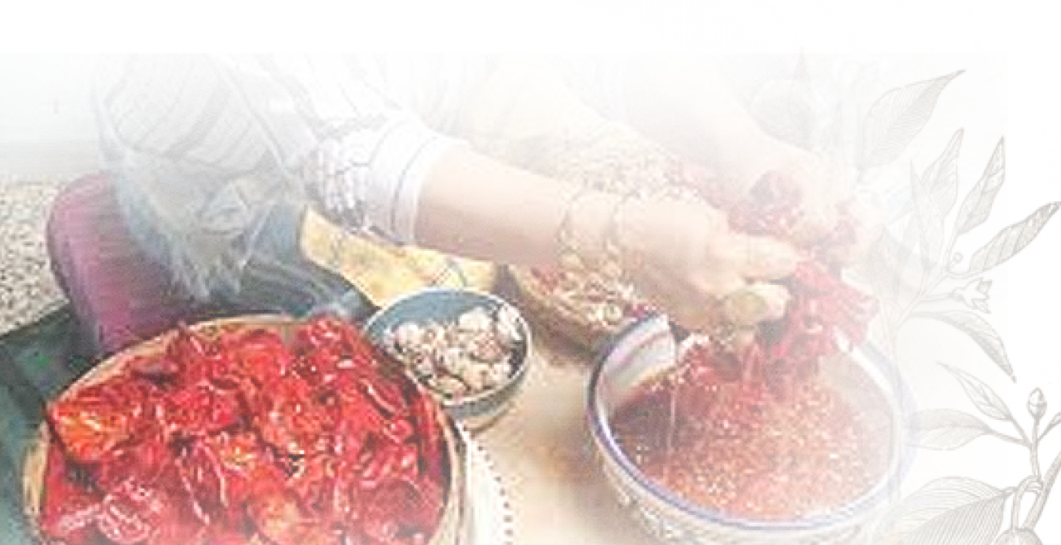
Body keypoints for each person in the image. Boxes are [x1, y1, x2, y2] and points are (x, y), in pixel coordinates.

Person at [90, 52, 862, 337]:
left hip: (418, 100)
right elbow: (355, 159)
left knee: (618, 162)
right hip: (226, 180)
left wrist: (739, 145)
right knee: (430, 336)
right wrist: (619, 239)